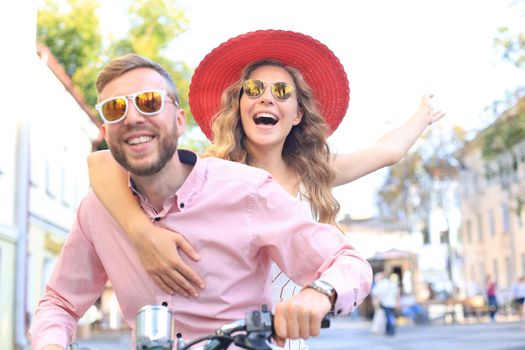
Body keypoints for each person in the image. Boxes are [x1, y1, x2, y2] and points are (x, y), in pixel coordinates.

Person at [87, 30, 444, 348]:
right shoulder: (210, 174)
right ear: (239, 107)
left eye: (282, 91)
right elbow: (100, 163)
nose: (266, 98)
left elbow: (388, 151)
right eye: (254, 90)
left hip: (292, 339)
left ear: (297, 114)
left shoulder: (316, 172)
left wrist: (422, 117)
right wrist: (140, 232)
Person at [29, 54, 372, 350]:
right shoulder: (98, 209)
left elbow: (347, 262)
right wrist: (50, 343)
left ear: (179, 121)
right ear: (106, 131)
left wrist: (320, 293)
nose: (132, 118)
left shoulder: (248, 191)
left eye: (148, 102)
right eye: (116, 109)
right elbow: (60, 302)